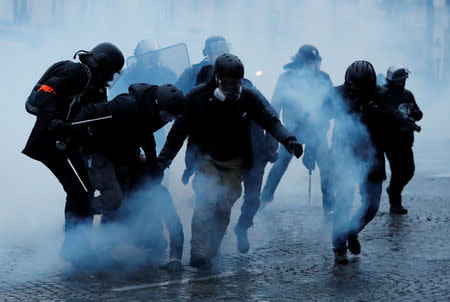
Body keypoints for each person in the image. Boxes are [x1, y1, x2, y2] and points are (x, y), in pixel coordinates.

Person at [159, 54, 303, 269]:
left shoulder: (249, 97)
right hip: (205, 159)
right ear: (216, 78)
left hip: (236, 162)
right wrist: (164, 161)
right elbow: (178, 133)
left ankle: (212, 248)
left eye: (236, 83)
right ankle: (198, 252)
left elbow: (271, 121)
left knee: (224, 206)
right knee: (205, 203)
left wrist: (289, 140)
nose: (232, 88)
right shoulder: (196, 97)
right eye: (227, 83)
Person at [22, 42, 124, 266]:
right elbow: (42, 95)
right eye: (111, 71)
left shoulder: (96, 87)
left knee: (84, 189)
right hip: (51, 142)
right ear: (103, 65)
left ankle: (78, 248)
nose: (110, 77)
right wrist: (55, 122)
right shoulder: (76, 71)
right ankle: (75, 250)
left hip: (68, 144)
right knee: (80, 191)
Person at [70, 83, 185, 271]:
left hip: (124, 152)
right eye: (166, 115)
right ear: (156, 105)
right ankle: (81, 212)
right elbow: (89, 110)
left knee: (155, 244)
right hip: (98, 150)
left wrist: (175, 258)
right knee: (114, 199)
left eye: (171, 118)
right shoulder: (125, 105)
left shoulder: (155, 191)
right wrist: (72, 135)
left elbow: (173, 221)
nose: (167, 120)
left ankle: (134, 237)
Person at [192, 64, 279, 254]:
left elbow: (272, 117)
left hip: (255, 155)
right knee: (219, 199)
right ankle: (211, 244)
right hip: (231, 156)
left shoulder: (250, 93)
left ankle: (242, 228)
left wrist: (271, 148)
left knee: (253, 199)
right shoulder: (212, 98)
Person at [325, 61, 388, 264]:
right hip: (344, 152)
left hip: (373, 153)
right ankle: (339, 247)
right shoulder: (337, 93)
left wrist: (375, 111)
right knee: (343, 201)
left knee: (372, 204)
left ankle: (351, 230)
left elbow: (392, 120)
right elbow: (321, 117)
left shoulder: (381, 94)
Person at [260, 45, 335, 217]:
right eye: (309, 62)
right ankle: (264, 199)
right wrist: (273, 132)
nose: (313, 66)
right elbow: (275, 106)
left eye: (316, 62)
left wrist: (317, 138)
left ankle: (329, 207)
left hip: (317, 131)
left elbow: (330, 107)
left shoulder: (324, 78)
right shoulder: (286, 79)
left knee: (326, 167)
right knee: (280, 165)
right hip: (291, 132)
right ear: (301, 62)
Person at [382, 66, 422, 214]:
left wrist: (416, 113)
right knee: (397, 170)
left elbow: (415, 110)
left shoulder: (407, 94)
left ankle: (393, 189)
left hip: (406, 139)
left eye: (404, 79)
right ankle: (395, 203)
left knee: (409, 170)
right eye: (400, 80)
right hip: (390, 140)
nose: (402, 82)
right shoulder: (383, 94)